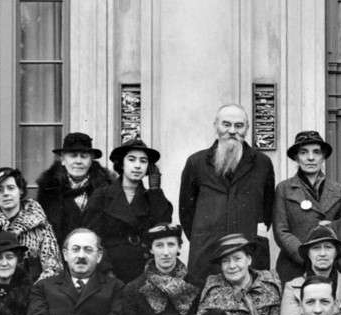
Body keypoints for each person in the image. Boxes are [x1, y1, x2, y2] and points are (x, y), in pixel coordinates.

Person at [179, 104, 276, 282]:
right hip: (207, 254)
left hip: (249, 252)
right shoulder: (196, 162)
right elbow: (186, 212)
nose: (232, 131)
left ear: (247, 129)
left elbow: (268, 210)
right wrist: (203, 238)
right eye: (226, 124)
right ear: (215, 126)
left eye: (239, 125)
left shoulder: (263, 163)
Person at [83, 138, 173, 283]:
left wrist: (155, 189)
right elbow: (91, 239)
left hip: (145, 271)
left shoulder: (153, 197)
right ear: (122, 164)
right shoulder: (102, 195)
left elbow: (164, 229)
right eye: (132, 160)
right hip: (111, 271)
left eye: (143, 161)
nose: (138, 166)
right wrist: (107, 271)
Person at [195, 233, 282, 315]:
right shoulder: (213, 291)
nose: (232, 266)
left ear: (249, 259)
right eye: (225, 261)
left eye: (237, 258)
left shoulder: (270, 284)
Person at [273, 130, 341, 283]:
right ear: (296, 157)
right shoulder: (284, 188)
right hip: (294, 265)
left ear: (323, 156)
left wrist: (325, 255)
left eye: (316, 152)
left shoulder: (339, 191)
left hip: (328, 264)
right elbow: (281, 230)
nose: (311, 158)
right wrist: (305, 255)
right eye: (304, 152)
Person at [36, 132, 113, 249]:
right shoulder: (48, 191)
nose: (78, 161)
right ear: (62, 160)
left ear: (91, 160)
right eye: (73, 155)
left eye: (84, 156)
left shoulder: (107, 189)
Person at [280, 223, 341, 315]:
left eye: (328, 247)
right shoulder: (293, 288)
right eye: (316, 248)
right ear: (308, 254)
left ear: (336, 253)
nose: (322, 253)